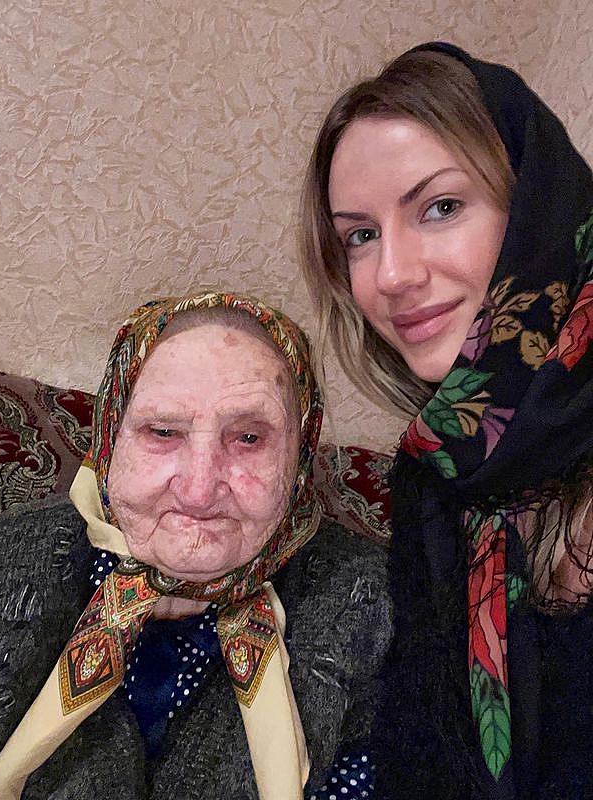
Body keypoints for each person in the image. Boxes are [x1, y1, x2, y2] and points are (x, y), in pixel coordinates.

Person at [0, 292, 391, 800]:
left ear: (298, 458)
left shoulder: (375, 602)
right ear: (110, 440)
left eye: (249, 439)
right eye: (163, 431)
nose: (199, 490)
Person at [300, 42, 593, 799]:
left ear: (537, 209)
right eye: (360, 235)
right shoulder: (435, 473)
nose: (392, 274)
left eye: (440, 208)